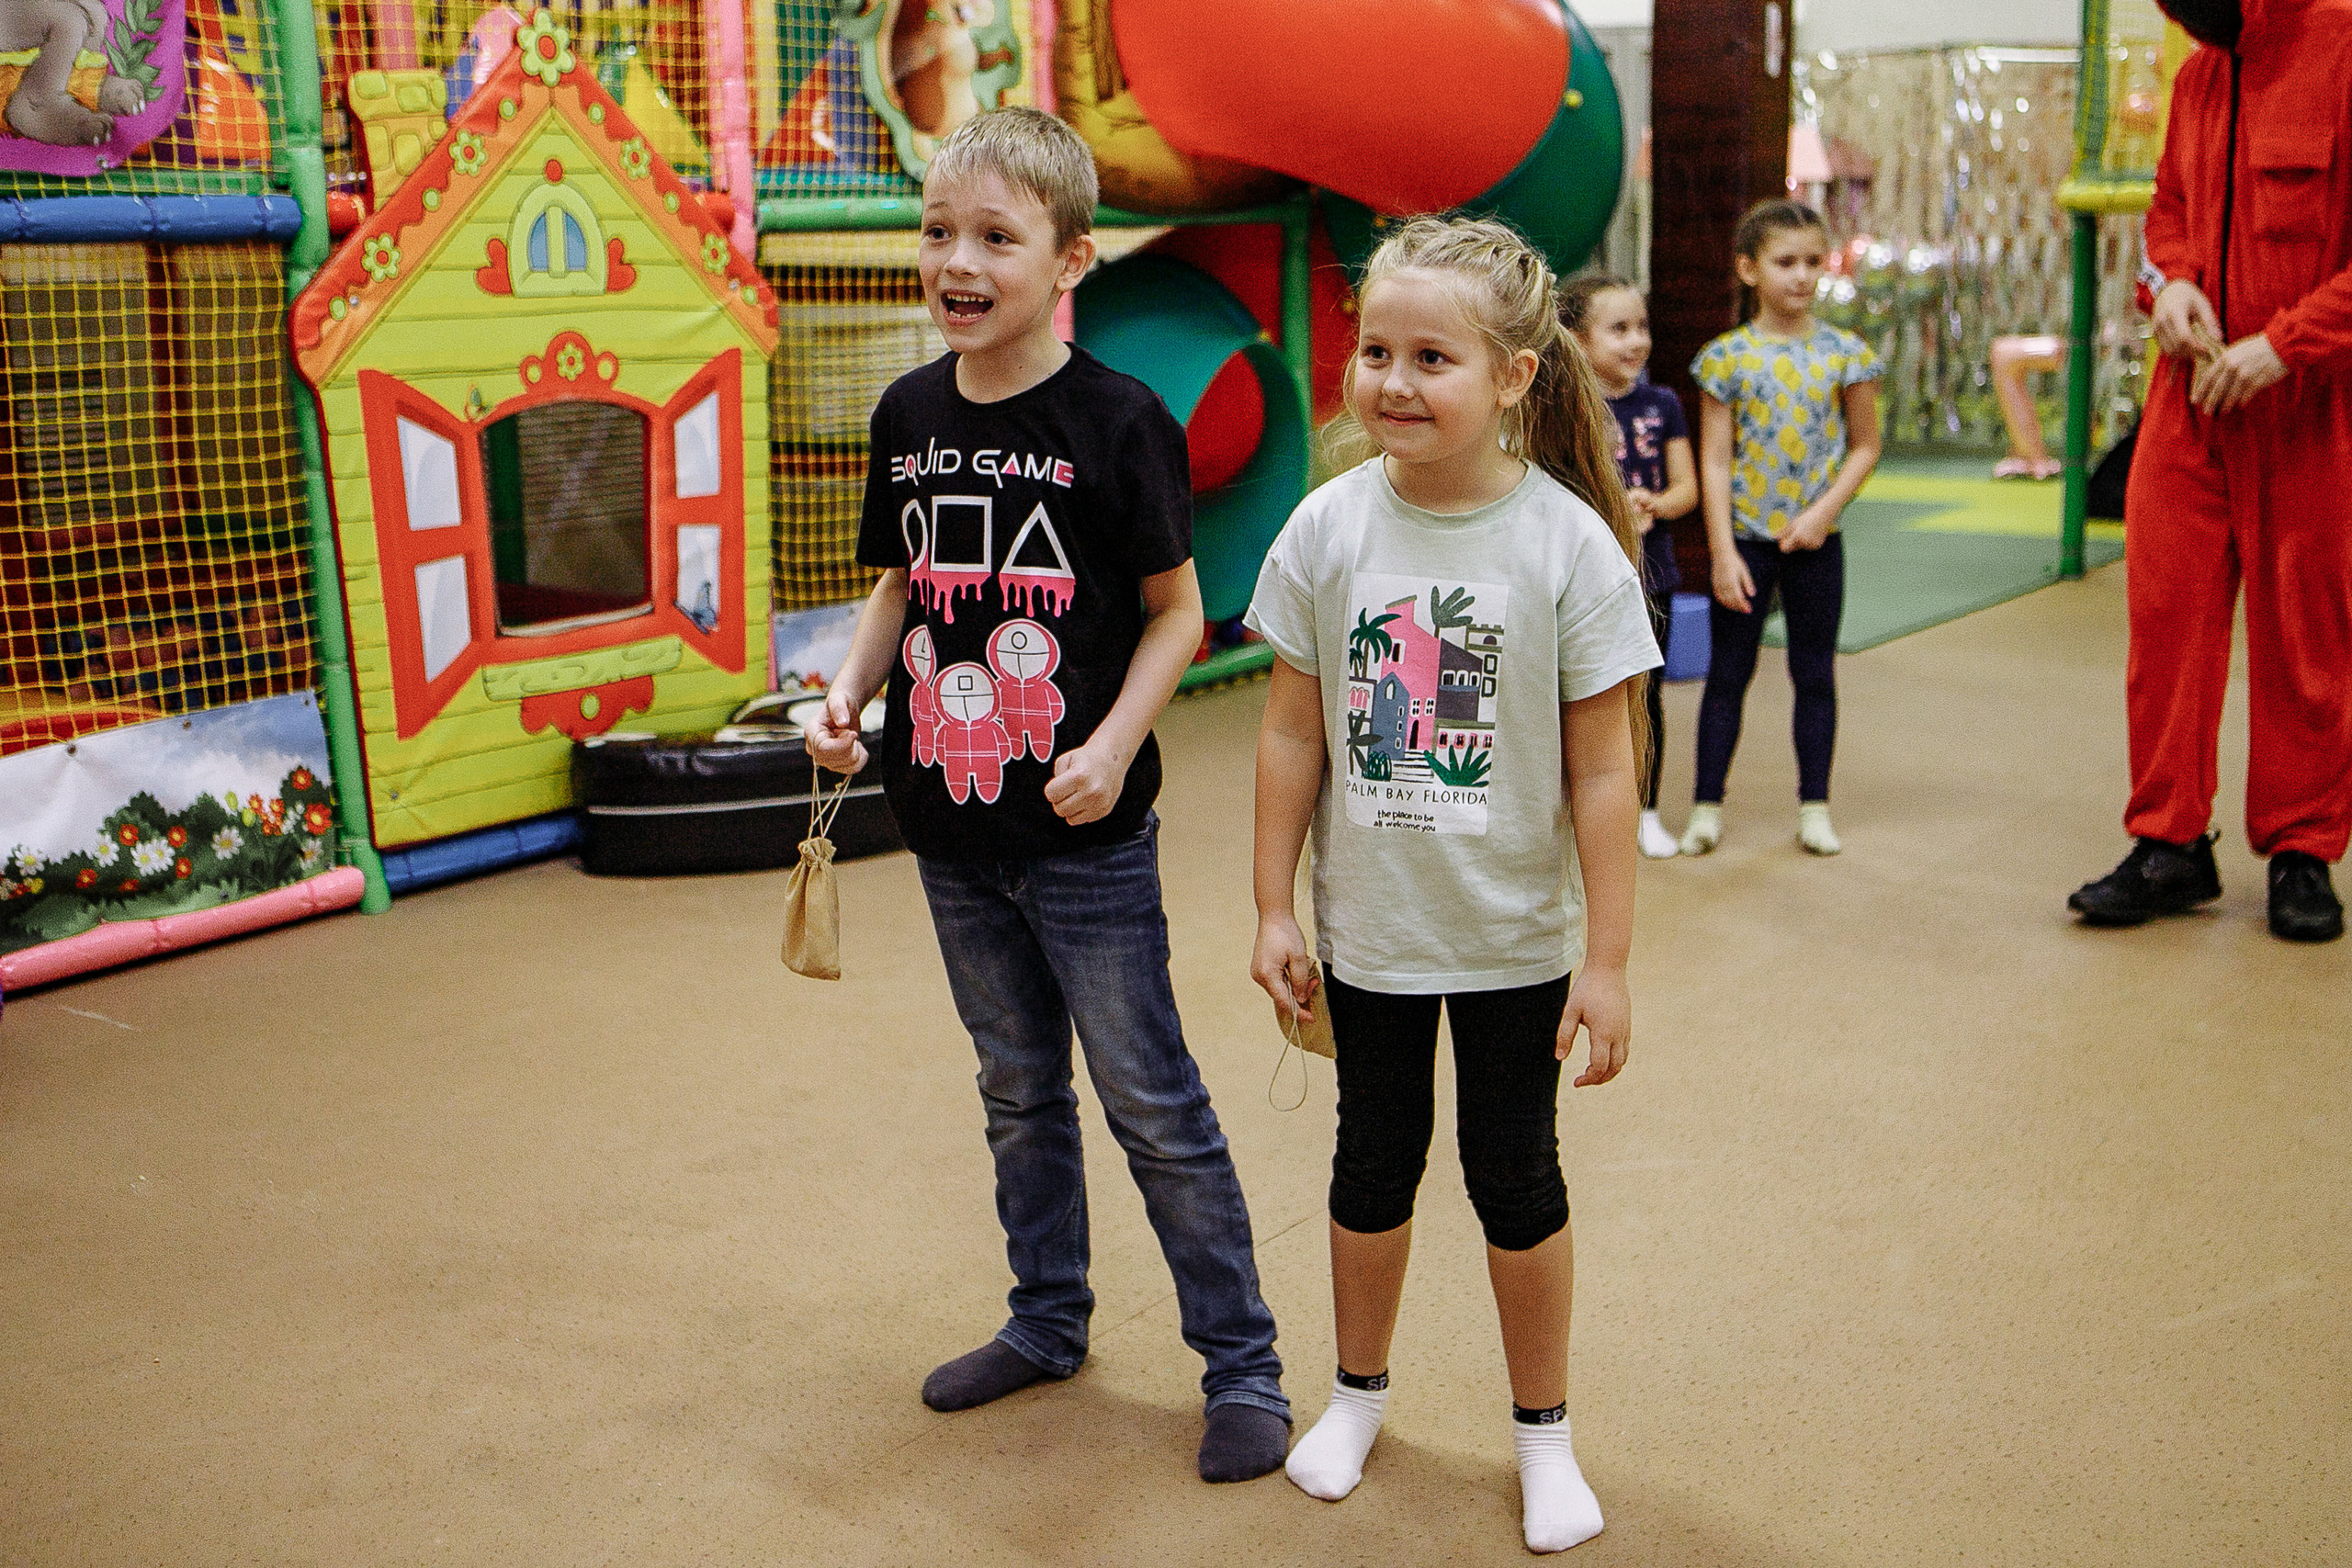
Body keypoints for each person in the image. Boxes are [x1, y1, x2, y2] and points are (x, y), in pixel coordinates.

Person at [803, 106, 1293, 1481]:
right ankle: (1045, 1315)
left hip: (1084, 838)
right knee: (1017, 1086)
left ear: (1071, 259)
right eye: (938, 232)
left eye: (995, 238)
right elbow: (902, 583)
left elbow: (1180, 615)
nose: (957, 260)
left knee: (1151, 1095)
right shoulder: (907, 412)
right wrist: (848, 697)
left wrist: (1113, 743)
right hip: (947, 825)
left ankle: (1243, 1362)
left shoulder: (1121, 420)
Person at [1246, 216, 1657, 1554]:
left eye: (1433, 355)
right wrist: (1271, 905)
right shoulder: (1326, 527)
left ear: (1518, 376)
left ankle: (1544, 1429)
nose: (1394, 381)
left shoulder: (1567, 546)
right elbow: (1291, 732)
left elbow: (1607, 771)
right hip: (1371, 932)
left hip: (1513, 940)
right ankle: (1357, 1392)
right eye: (1375, 350)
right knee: (1372, 1163)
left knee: (1515, 1174)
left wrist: (1608, 959)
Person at [2065, 0, 2349, 942]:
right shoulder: (2198, 72)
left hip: (2309, 405)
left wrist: (2289, 344)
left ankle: (2302, 852)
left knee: (2304, 636)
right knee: (2165, 625)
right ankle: (2169, 845)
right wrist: (2173, 280)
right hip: (2191, 399)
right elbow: (2173, 212)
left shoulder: (2343, 47)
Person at [1680, 199, 1883, 858]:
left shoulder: (1846, 354)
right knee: (1728, 673)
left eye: (1812, 262)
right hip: (1743, 541)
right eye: (1784, 262)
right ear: (1748, 268)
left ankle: (1815, 806)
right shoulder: (1726, 358)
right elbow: (1714, 456)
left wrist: (1823, 514)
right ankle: (1707, 805)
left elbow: (1865, 445)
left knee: (1814, 671)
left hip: (1816, 544)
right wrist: (1720, 549)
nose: (1801, 276)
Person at [1562, 272, 1698, 859]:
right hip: (1579, 577)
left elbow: (1686, 488)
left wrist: (1655, 504)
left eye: (1641, 327)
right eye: (1618, 328)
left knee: (1644, 696)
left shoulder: (1661, 404)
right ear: (1578, 337)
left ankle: (1644, 809)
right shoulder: (1565, 406)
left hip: (1650, 575)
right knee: (1573, 694)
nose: (1636, 340)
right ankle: (1568, 809)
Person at [1988, 333, 2066, 479]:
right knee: (2003, 353)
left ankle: (2035, 460)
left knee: (2004, 354)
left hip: (2085, 343)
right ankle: (2031, 456)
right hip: (2068, 341)